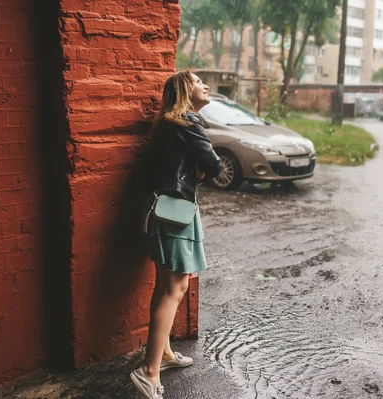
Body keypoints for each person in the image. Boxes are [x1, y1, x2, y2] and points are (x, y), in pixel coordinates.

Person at [130, 70, 222, 399]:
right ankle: (149, 372)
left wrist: (199, 167)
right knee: (175, 287)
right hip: (176, 213)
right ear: (186, 89)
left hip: (164, 209)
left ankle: (165, 354)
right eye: (199, 82)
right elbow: (213, 164)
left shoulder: (169, 123)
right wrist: (205, 167)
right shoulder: (188, 120)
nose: (206, 86)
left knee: (166, 286)